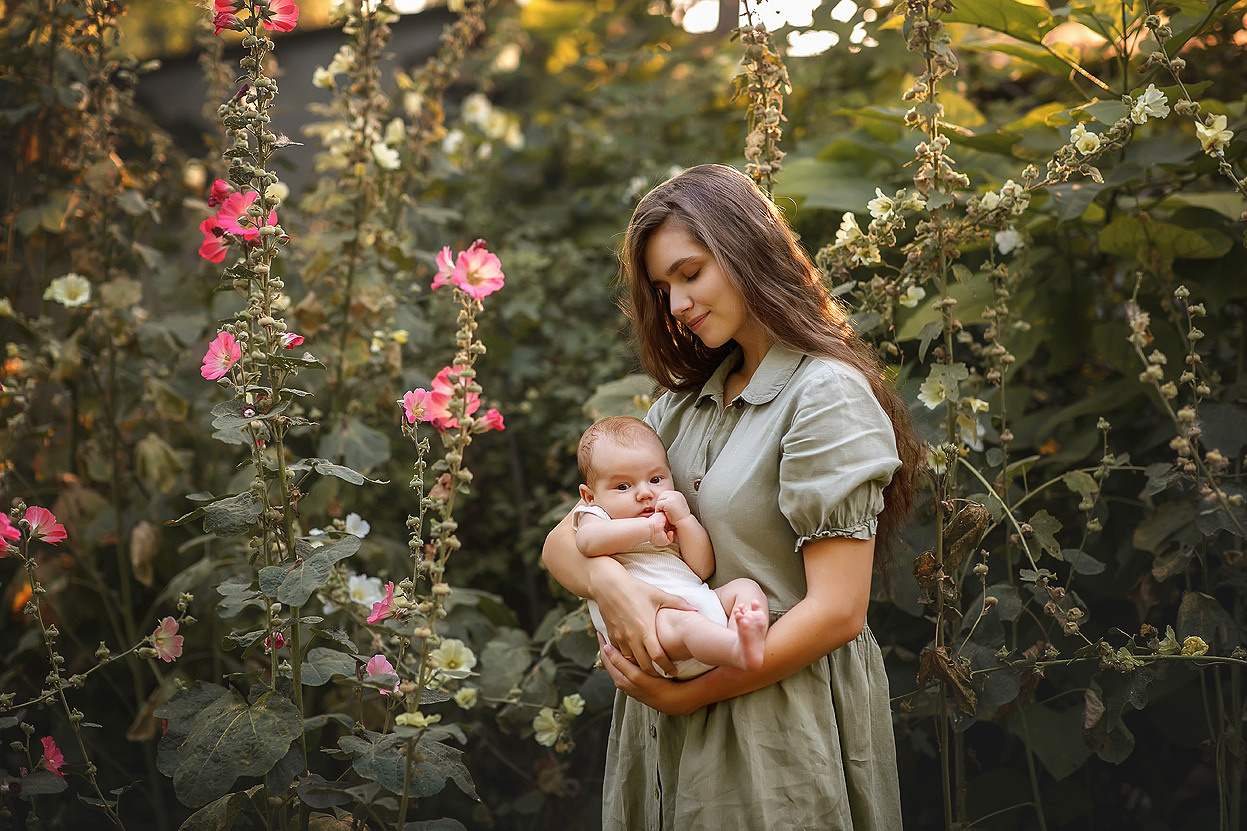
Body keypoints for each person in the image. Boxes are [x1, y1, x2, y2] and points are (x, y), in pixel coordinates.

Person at [542, 163, 924, 830]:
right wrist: (613, 586)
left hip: (772, 727)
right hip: (663, 737)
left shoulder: (823, 394)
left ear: (747, 251)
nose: (676, 305)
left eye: (690, 274)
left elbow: (838, 611)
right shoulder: (681, 407)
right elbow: (562, 540)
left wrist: (689, 695)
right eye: (662, 289)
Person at [574, 415, 769, 680]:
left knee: (745, 588)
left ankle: (742, 634)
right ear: (590, 496)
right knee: (685, 624)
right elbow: (587, 542)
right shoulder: (597, 515)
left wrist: (685, 520)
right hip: (653, 627)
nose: (645, 493)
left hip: (698, 602)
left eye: (656, 479)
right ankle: (735, 650)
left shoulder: (667, 517)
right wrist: (647, 529)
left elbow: (702, 569)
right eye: (623, 486)